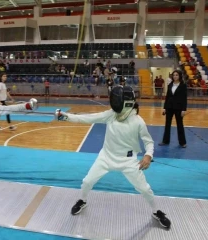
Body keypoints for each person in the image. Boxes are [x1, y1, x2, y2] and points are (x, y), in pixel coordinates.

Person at [54, 85, 171, 229]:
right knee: (87, 181)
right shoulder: (111, 114)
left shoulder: (138, 121)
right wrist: (66, 117)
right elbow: (87, 118)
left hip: (128, 161)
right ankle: (82, 201)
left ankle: (156, 212)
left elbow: (149, 142)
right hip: (106, 157)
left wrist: (148, 155)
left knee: (145, 189)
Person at [159, 70, 187, 148]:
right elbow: (167, 97)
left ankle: (182, 142)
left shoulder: (183, 85)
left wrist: (183, 109)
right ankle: (165, 141)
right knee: (167, 125)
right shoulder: (170, 85)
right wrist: (164, 107)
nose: (175, 76)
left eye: (176, 75)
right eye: (174, 75)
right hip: (169, 107)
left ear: (180, 76)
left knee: (180, 125)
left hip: (179, 108)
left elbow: (184, 98)